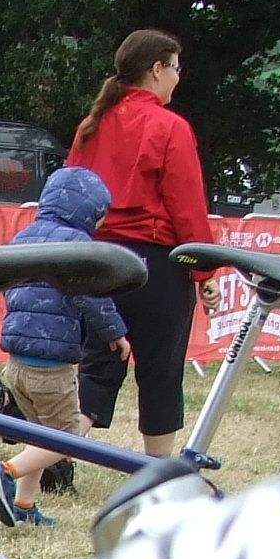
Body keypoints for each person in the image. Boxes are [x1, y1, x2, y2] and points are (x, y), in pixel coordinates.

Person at [67, 28, 213, 457]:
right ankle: (156, 476)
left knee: (95, 372)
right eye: (175, 68)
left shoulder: (92, 125)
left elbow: (71, 191)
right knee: (161, 375)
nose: (178, 79)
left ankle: (36, 466)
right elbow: (186, 204)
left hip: (99, 261)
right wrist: (205, 270)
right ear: (157, 69)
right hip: (158, 265)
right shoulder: (170, 127)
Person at [0, 164, 125, 524]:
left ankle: (25, 506)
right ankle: (4, 473)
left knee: (39, 436)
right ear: (88, 211)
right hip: (52, 365)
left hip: (16, 364)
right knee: (66, 438)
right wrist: (115, 333)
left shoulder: (24, 237)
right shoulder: (77, 247)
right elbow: (91, 295)